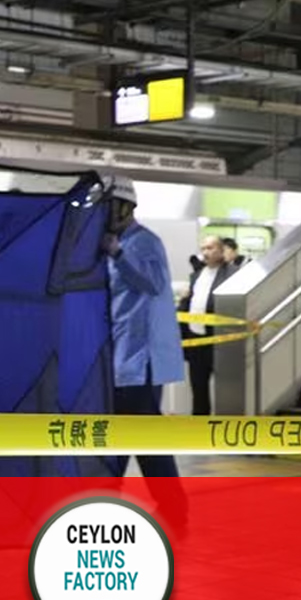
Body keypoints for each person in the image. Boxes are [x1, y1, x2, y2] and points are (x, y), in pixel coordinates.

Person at [101, 176, 188, 526]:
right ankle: (170, 506)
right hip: (124, 357)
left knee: (133, 433)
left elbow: (152, 283)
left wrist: (118, 254)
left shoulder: (143, 242)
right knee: (134, 433)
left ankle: (164, 505)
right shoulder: (113, 245)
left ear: (126, 207)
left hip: (143, 359)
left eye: (109, 208)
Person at [179, 234, 238, 417]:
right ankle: (199, 428)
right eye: (203, 248)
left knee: (227, 389)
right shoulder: (196, 275)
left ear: (221, 251)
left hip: (219, 341)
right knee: (198, 388)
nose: (205, 252)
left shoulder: (232, 274)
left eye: (210, 248)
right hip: (196, 341)